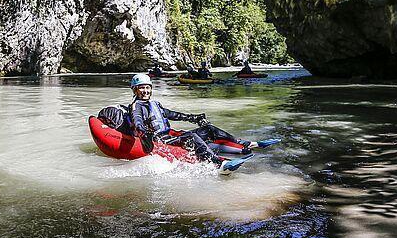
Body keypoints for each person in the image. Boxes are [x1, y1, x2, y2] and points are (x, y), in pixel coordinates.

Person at [98, 74, 277, 173]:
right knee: (191, 136)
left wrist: (194, 117)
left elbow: (174, 114)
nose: (145, 90)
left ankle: (246, 145)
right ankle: (218, 164)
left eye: (147, 87)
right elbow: (137, 122)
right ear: (135, 90)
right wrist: (144, 135)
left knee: (208, 129)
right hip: (161, 140)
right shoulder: (137, 106)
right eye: (141, 88)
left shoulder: (155, 104)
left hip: (172, 135)